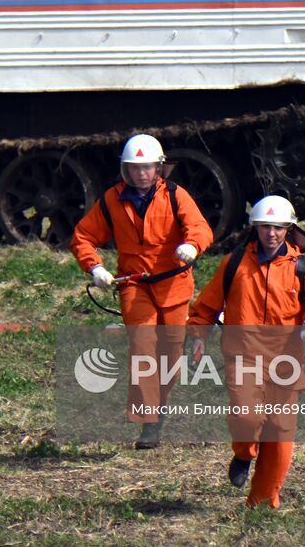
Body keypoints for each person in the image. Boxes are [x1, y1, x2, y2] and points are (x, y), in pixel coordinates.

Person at [188, 195, 305, 510]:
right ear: (255, 228)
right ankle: (244, 453)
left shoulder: (302, 268)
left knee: (280, 437)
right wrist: (197, 337)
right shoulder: (233, 264)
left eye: (278, 227)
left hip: (287, 363)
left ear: (288, 229)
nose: (271, 233)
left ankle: (261, 502)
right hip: (243, 357)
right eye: (265, 227)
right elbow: (205, 308)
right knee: (246, 417)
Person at [70, 134, 214, 449]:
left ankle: (160, 409)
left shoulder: (176, 196)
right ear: (126, 169)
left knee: (172, 353)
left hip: (175, 284)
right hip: (134, 284)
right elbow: (83, 236)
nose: (141, 173)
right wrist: (95, 267)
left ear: (159, 167)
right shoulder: (111, 199)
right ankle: (149, 421)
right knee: (142, 346)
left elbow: (200, 227)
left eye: (147, 167)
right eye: (135, 167)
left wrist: (192, 245)